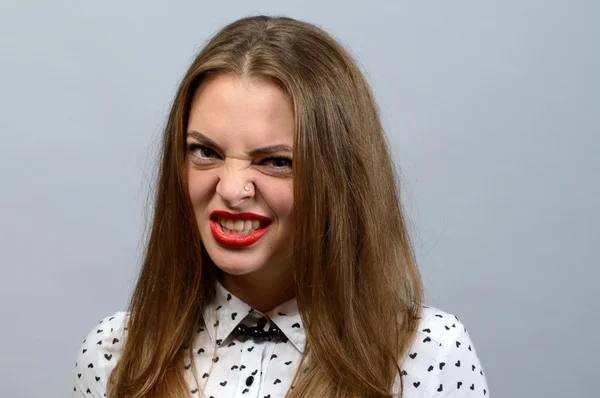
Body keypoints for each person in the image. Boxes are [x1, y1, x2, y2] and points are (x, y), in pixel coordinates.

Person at [73, 15, 489, 398]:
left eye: (276, 161)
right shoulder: (116, 356)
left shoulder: (427, 354)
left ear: (338, 179)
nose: (233, 189)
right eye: (205, 152)